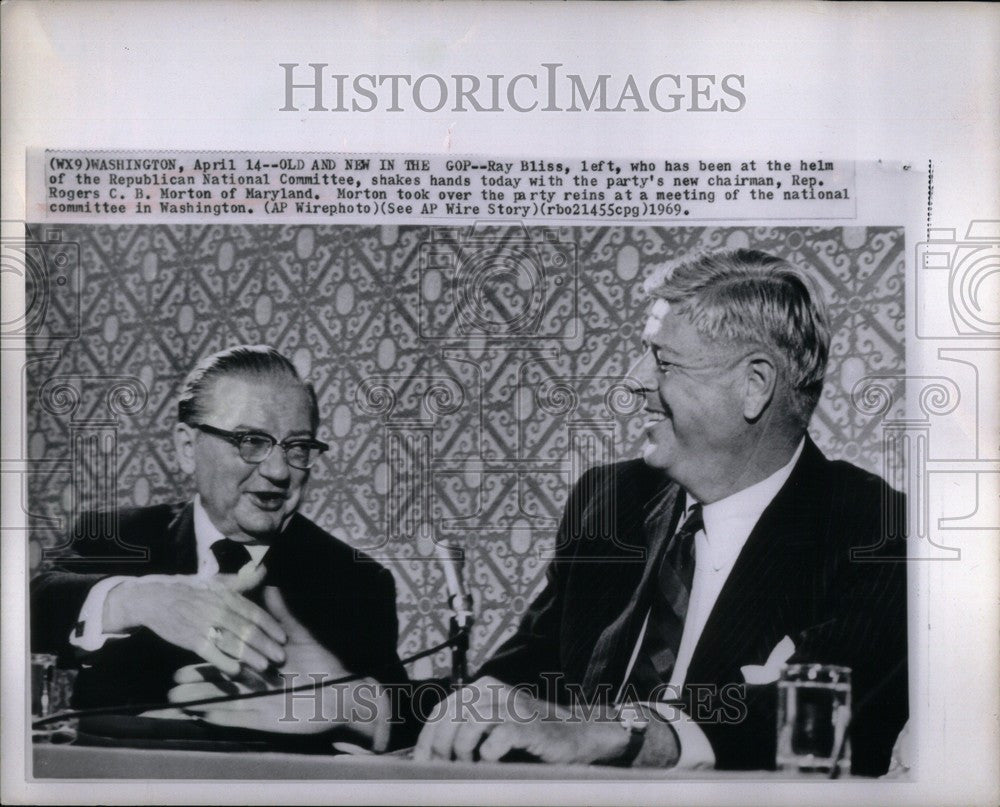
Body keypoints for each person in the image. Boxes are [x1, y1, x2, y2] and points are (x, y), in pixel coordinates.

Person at [414, 249, 908, 775]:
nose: (632, 380)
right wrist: (385, 705)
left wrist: (619, 736)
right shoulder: (611, 500)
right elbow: (527, 677)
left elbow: (813, 710)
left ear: (754, 385)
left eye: (662, 360)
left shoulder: (874, 529)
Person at [31, 345, 409, 750]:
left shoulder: (355, 581)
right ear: (187, 448)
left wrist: (356, 708)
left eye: (298, 447)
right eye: (251, 441)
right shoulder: (115, 537)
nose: (279, 471)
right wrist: (136, 599)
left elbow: (413, 717)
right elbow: (30, 610)